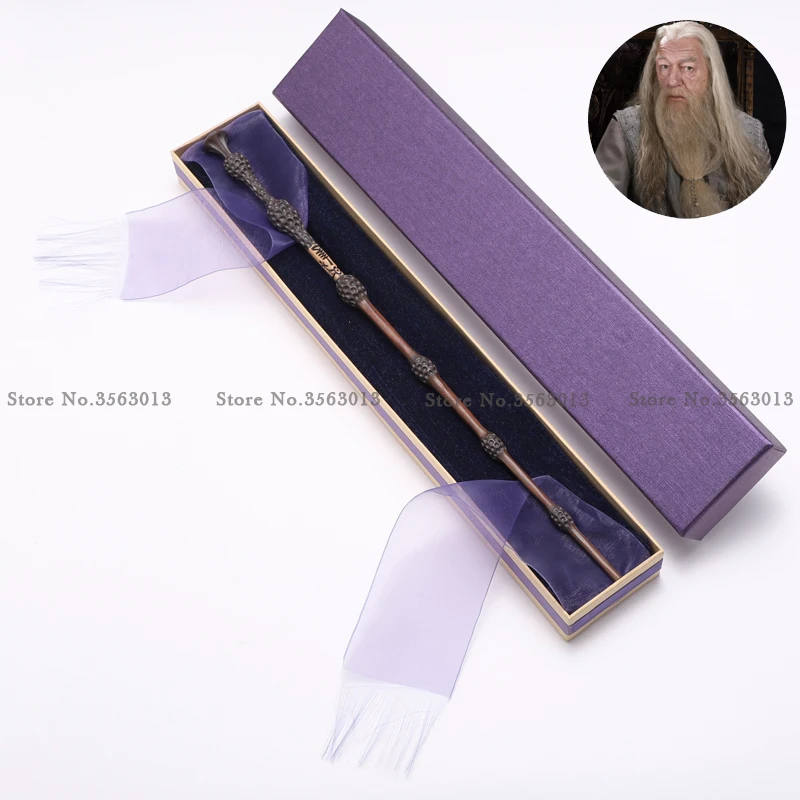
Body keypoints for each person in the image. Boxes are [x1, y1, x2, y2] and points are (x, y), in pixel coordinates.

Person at [595, 21, 771, 217]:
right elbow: (601, 212)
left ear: (711, 72)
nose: (672, 81)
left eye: (688, 68)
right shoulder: (625, 129)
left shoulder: (750, 133)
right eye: (664, 67)